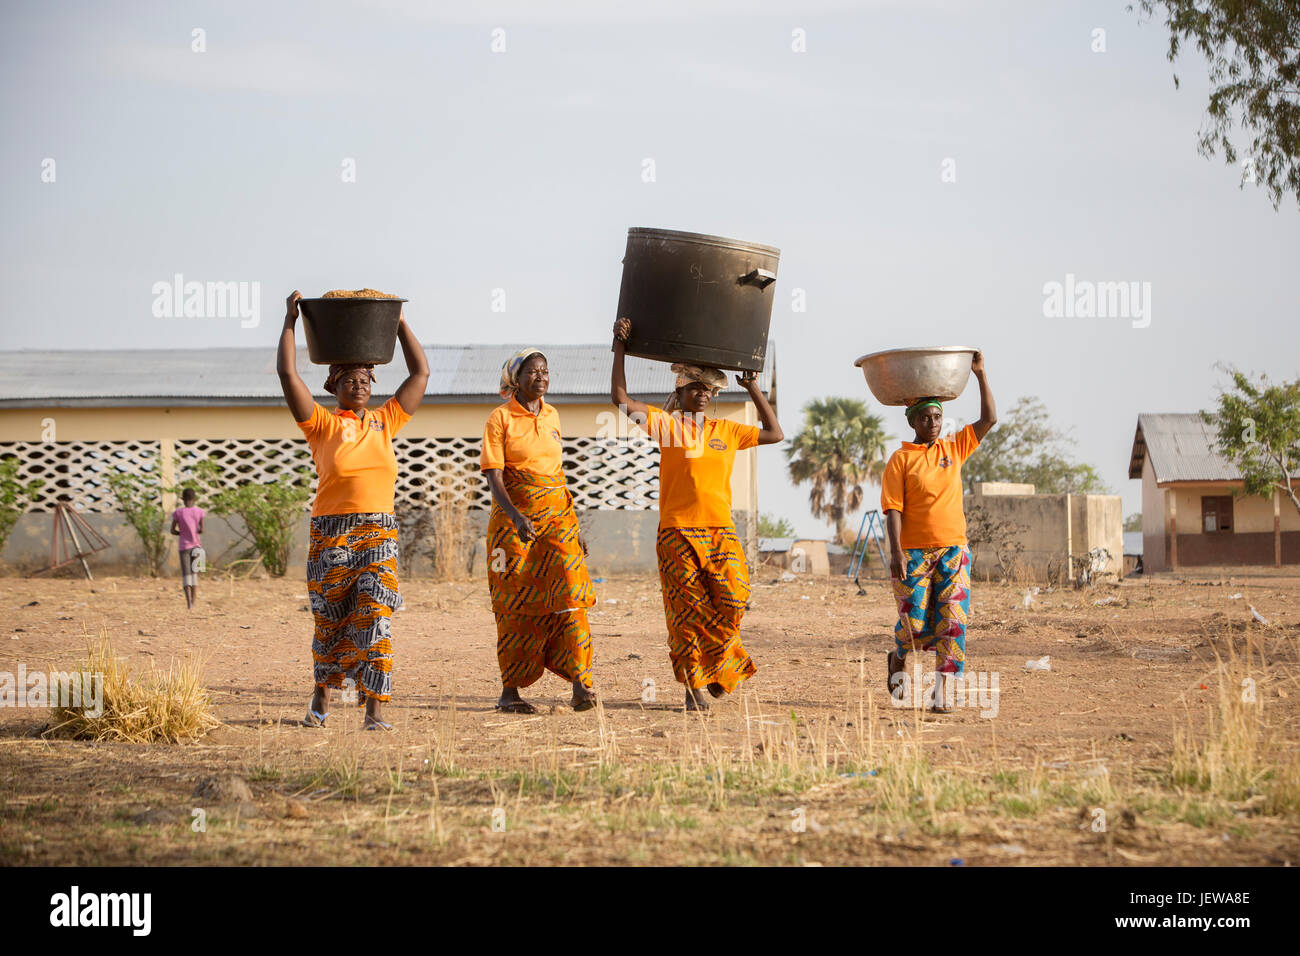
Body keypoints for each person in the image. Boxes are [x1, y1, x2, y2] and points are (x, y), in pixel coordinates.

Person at [611, 318, 784, 712]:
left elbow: (775, 433)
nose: (701, 394)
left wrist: (752, 386)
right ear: (681, 391)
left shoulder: (728, 430)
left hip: (721, 531)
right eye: (694, 388)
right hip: (677, 534)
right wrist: (619, 346)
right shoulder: (667, 426)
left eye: (707, 389)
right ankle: (693, 688)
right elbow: (620, 398)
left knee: (734, 599)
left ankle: (721, 666)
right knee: (686, 613)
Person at [278, 290, 429, 731]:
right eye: (349, 379)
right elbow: (288, 373)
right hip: (332, 534)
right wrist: (289, 322)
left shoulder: (386, 422)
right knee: (331, 620)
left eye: (365, 378)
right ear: (333, 387)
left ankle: (374, 710)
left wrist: (396, 323)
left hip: (379, 534)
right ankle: (321, 698)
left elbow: (420, 372)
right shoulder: (322, 425)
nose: (360, 384)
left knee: (375, 615)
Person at [482, 348, 598, 714]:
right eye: (533, 372)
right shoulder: (499, 418)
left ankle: (581, 684)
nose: (541, 377)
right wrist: (516, 516)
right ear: (515, 379)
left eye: (545, 371)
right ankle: (510, 692)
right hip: (512, 525)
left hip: (558, 520)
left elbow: (557, 476)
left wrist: (574, 524)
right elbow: (494, 475)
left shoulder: (553, 415)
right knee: (515, 603)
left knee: (571, 596)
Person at [880, 351, 996, 714]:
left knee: (952, 622)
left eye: (937, 416)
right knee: (914, 623)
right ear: (913, 421)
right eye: (926, 417)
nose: (933, 423)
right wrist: (897, 551)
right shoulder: (901, 460)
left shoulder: (954, 448)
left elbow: (990, 418)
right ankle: (898, 657)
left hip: (954, 551)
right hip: (912, 552)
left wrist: (979, 374)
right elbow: (893, 509)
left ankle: (941, 694)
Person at [170, 488, 205, 609]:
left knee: (186, 575)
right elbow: (202, 530)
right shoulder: (200, 512)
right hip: (197, 546)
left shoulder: (178, 513)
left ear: (183, 499)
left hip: (184, 546)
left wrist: (183, 533)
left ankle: (188, 603)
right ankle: (194, 602)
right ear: (194, 499)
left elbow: (172, 530)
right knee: (195, 573)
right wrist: (194, 532)